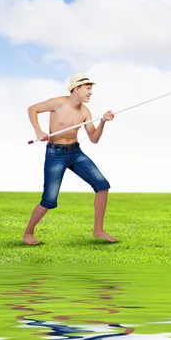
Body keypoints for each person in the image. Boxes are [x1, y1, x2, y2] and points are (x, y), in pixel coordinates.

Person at [23, 72, 117, 245]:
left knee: (102, 186)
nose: (90, 92)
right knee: (49, 200)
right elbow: (32, 109)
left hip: (75, 153)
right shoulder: (58, 103)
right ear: (76, 89)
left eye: (91, 89)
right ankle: (28, 233)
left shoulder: (86, 112)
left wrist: (103, 121)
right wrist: (38, 131)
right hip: (55, 154)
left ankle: (98, 230)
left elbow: (94, 139)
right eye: (87, 89)